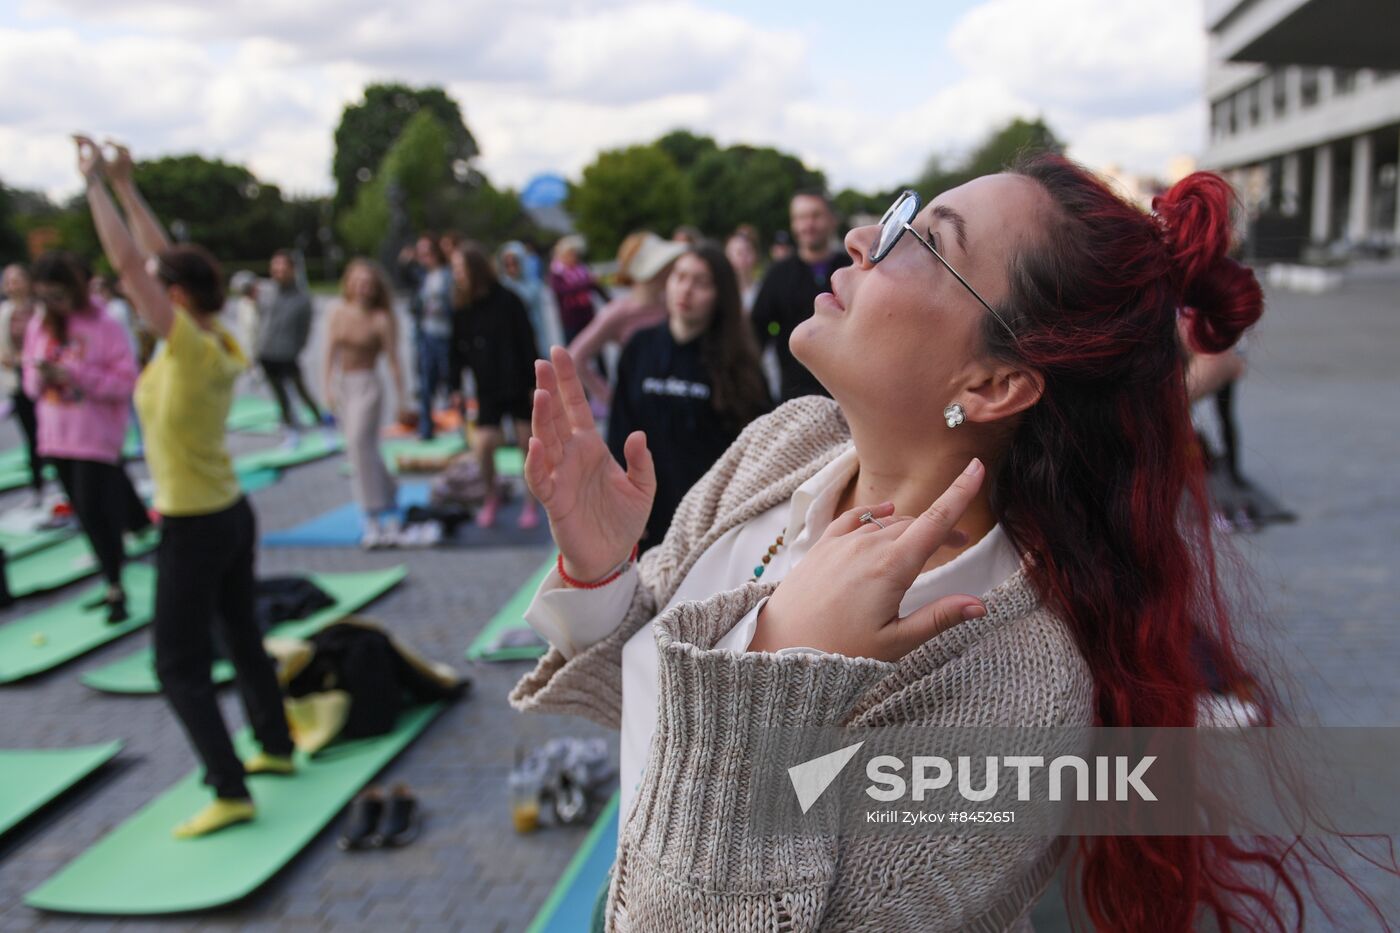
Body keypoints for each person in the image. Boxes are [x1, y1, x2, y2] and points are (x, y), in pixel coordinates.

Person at [512, 159, 1330, 929]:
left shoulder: (1021, 697)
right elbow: (654, 705)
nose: (865, 239)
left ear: (993, 383)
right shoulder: (784, 445)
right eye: (900, 214)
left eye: (928, 240)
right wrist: (602, 573)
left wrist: (783, 662)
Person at [78, 136, 295, 839]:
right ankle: (276, 746)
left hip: (196, 524)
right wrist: (125, 184)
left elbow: (128, 264)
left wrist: (94, 187)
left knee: (176, 665)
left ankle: (228, 786)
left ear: (172, 299)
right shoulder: (221, 337)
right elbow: (155, 261)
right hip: (229, 513)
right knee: (239, 634)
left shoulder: (191, 346)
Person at [602, 245, 772, 551]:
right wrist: (616, 500)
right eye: (679, 277)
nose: (686, 290)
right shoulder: (639, 347)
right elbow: (619, 430)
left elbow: (756, 446)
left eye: (701, 283)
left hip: (708, 520)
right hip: (645, 511)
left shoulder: (738, 362)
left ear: (720, 295)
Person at [22, 252, 150, 620]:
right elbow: (31, 384)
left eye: (57, 296)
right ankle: (111, 578)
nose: (51, 305)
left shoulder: (103, 323)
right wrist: (42, 377)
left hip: (95, 436)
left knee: (98, 513)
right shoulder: (39, 325)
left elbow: (126, 382)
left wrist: (75, 375)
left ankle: (116, 585)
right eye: (44, 297)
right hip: (56, 435)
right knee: (84, 513)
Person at [449, 244, 541, 530]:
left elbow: (528, 343)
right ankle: (491, 496)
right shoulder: (463, 307)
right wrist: (455, 387)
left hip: (517, 383)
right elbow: (455, 351)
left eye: (461, 269)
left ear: (475, 270)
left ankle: (530, 503)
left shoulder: (509, 300)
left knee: (528, 445)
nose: (458, 275)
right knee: (484, 444)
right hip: (487, 387)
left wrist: (533, 384)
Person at [323, 259, 407, 548]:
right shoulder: (337, 313)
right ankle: (389, 491)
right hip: (344, 385)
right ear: (349, 283)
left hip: (368, 384)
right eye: (358, 281)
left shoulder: (381, 319)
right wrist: (327, 389)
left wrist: (403, 398)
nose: (362, 287)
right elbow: (329, 353)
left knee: (358, 443)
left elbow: (394, 361)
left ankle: (370, 512)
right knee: (364, 447)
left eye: (368, 283)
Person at [750, 190, 852, 401]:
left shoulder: (852, 268)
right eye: (800, 218)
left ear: (832, 220)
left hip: (851, 395)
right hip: (796, 396)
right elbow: (756, 335)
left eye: (815, 216)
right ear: (793, 224)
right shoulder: (778, 275)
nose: (808, 225)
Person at [566, 232, 686, 408]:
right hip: (639, 408)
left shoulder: (674, 304)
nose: (672, 267)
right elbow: (575, 356)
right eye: (667, 263)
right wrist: (610, 399)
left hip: (676, 402)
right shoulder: (619, 312)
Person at [256, 249, 322, 447]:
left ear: (292, 270)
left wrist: (296, 348)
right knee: (279, 392)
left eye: (283, 267)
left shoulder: (302, 298)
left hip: (287, 353)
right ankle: (289, 424)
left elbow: (305, 329)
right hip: (266, 352)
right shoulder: (266, 293)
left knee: (299, 389)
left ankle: (318, 415)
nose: (278, 271)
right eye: (275, 267)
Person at [0, 263, 44, 505]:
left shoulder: (40, 309)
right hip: (18, 381)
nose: (13, 284)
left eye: (17, 279)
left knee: (51, 434)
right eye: (9, 280)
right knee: (31, 437)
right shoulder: (4, 312)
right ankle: (38, 487)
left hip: (43, 379)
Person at [409, 235, 455, 440]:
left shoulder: (447, 275)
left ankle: (465, 431)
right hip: (427, 334)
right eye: (420, 253)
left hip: (446, 334)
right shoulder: (422, 277)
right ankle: (426, 428)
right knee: (426, 384)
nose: (423, 257)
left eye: (427, 252)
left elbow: (453, 303)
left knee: (452, 382)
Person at [498, 241, 562, 356]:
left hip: (533, 334)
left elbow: (540, 319)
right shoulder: (502, 287)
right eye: (508, 265)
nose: (512, 269)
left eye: (515, 264)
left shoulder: (533, 286)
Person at [548, 235, 607, 345]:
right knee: (573, 347)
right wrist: (586, 284)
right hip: (570, 317)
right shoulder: (557, 273)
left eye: (575, 253)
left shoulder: (582, 268)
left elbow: (595, 286)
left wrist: (609, 301)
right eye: (570, 253)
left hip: (587, 313)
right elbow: (562, 290)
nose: (573, 256)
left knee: (596, 344)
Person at [724, 224, 762, 312]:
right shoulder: (719, 292)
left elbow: (774, 325)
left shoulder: (764, 290)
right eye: (739, 253)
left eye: (748, 250)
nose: (744, 256)